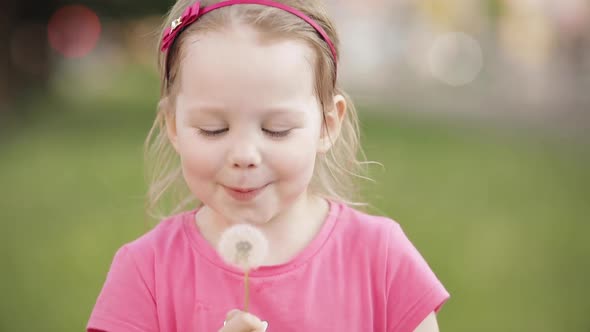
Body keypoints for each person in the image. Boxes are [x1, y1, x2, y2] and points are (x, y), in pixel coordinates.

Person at [87, 0, 450, 331]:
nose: (244, 154)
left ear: (328, 126)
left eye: (276, 130)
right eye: (214, 129)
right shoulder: (145, 271)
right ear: (173, 126)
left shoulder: (382, 261)